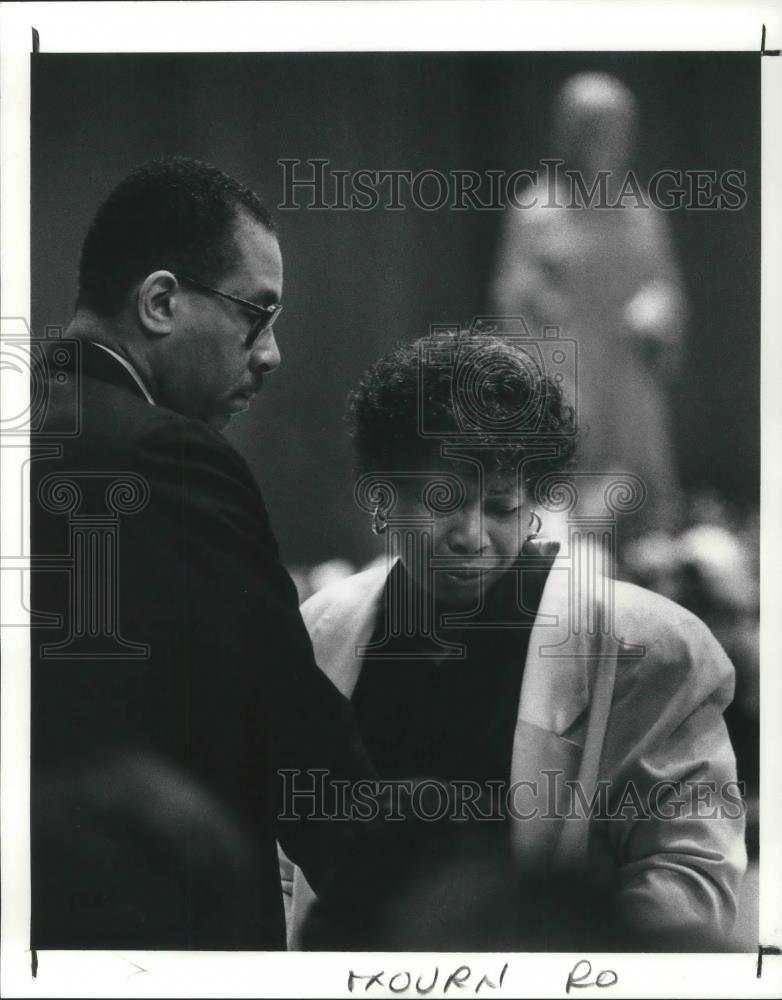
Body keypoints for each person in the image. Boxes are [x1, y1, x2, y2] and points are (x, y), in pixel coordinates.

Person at [280, 331, 746, 951]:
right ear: (383, 498)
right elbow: (283, 866)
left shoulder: (648, 646)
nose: (470, 536)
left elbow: (687, 873)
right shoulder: (321, 629)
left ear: (532, 506)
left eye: (499, 506)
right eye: (440, 501)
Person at [30, 157, 380, 950]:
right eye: (255, 313)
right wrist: (448, 919)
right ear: (159, 301)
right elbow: (294, 737)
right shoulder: (168, 458)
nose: (271, 354)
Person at [491, 72, 688, 536]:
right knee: (571, 501)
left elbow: (665, 285)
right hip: (565, 370)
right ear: (572, 133)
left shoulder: (640, 213)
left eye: (619, 129)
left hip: (628, 375)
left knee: (640, 496)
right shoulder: (537, 210)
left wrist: (657, 309)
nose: (610, 141)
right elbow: (513, 298)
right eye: (598, 129)